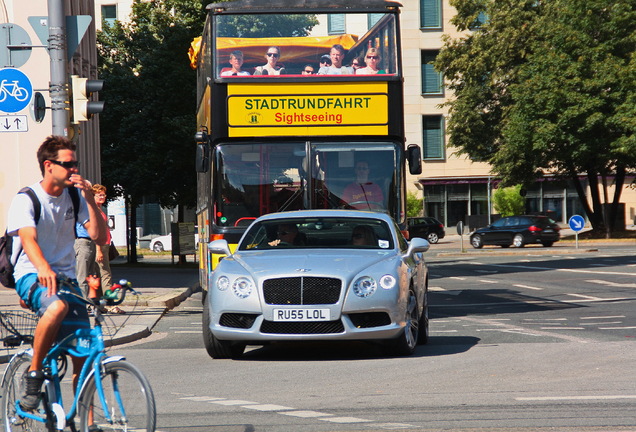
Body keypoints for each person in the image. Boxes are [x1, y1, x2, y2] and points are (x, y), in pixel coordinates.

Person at [6, 135, 108, 411]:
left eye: (76, 163)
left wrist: (88, 195)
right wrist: (42, 268)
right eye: (69, 164)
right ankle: (34, 373)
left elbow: (98, 236)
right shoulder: (27, 198)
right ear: (49, 165)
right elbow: (28, 238)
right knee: (56, 307)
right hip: (32, 275)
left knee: (84, 357)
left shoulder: (75, 196)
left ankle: (85, 424)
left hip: (67, 280)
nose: (74, 169)